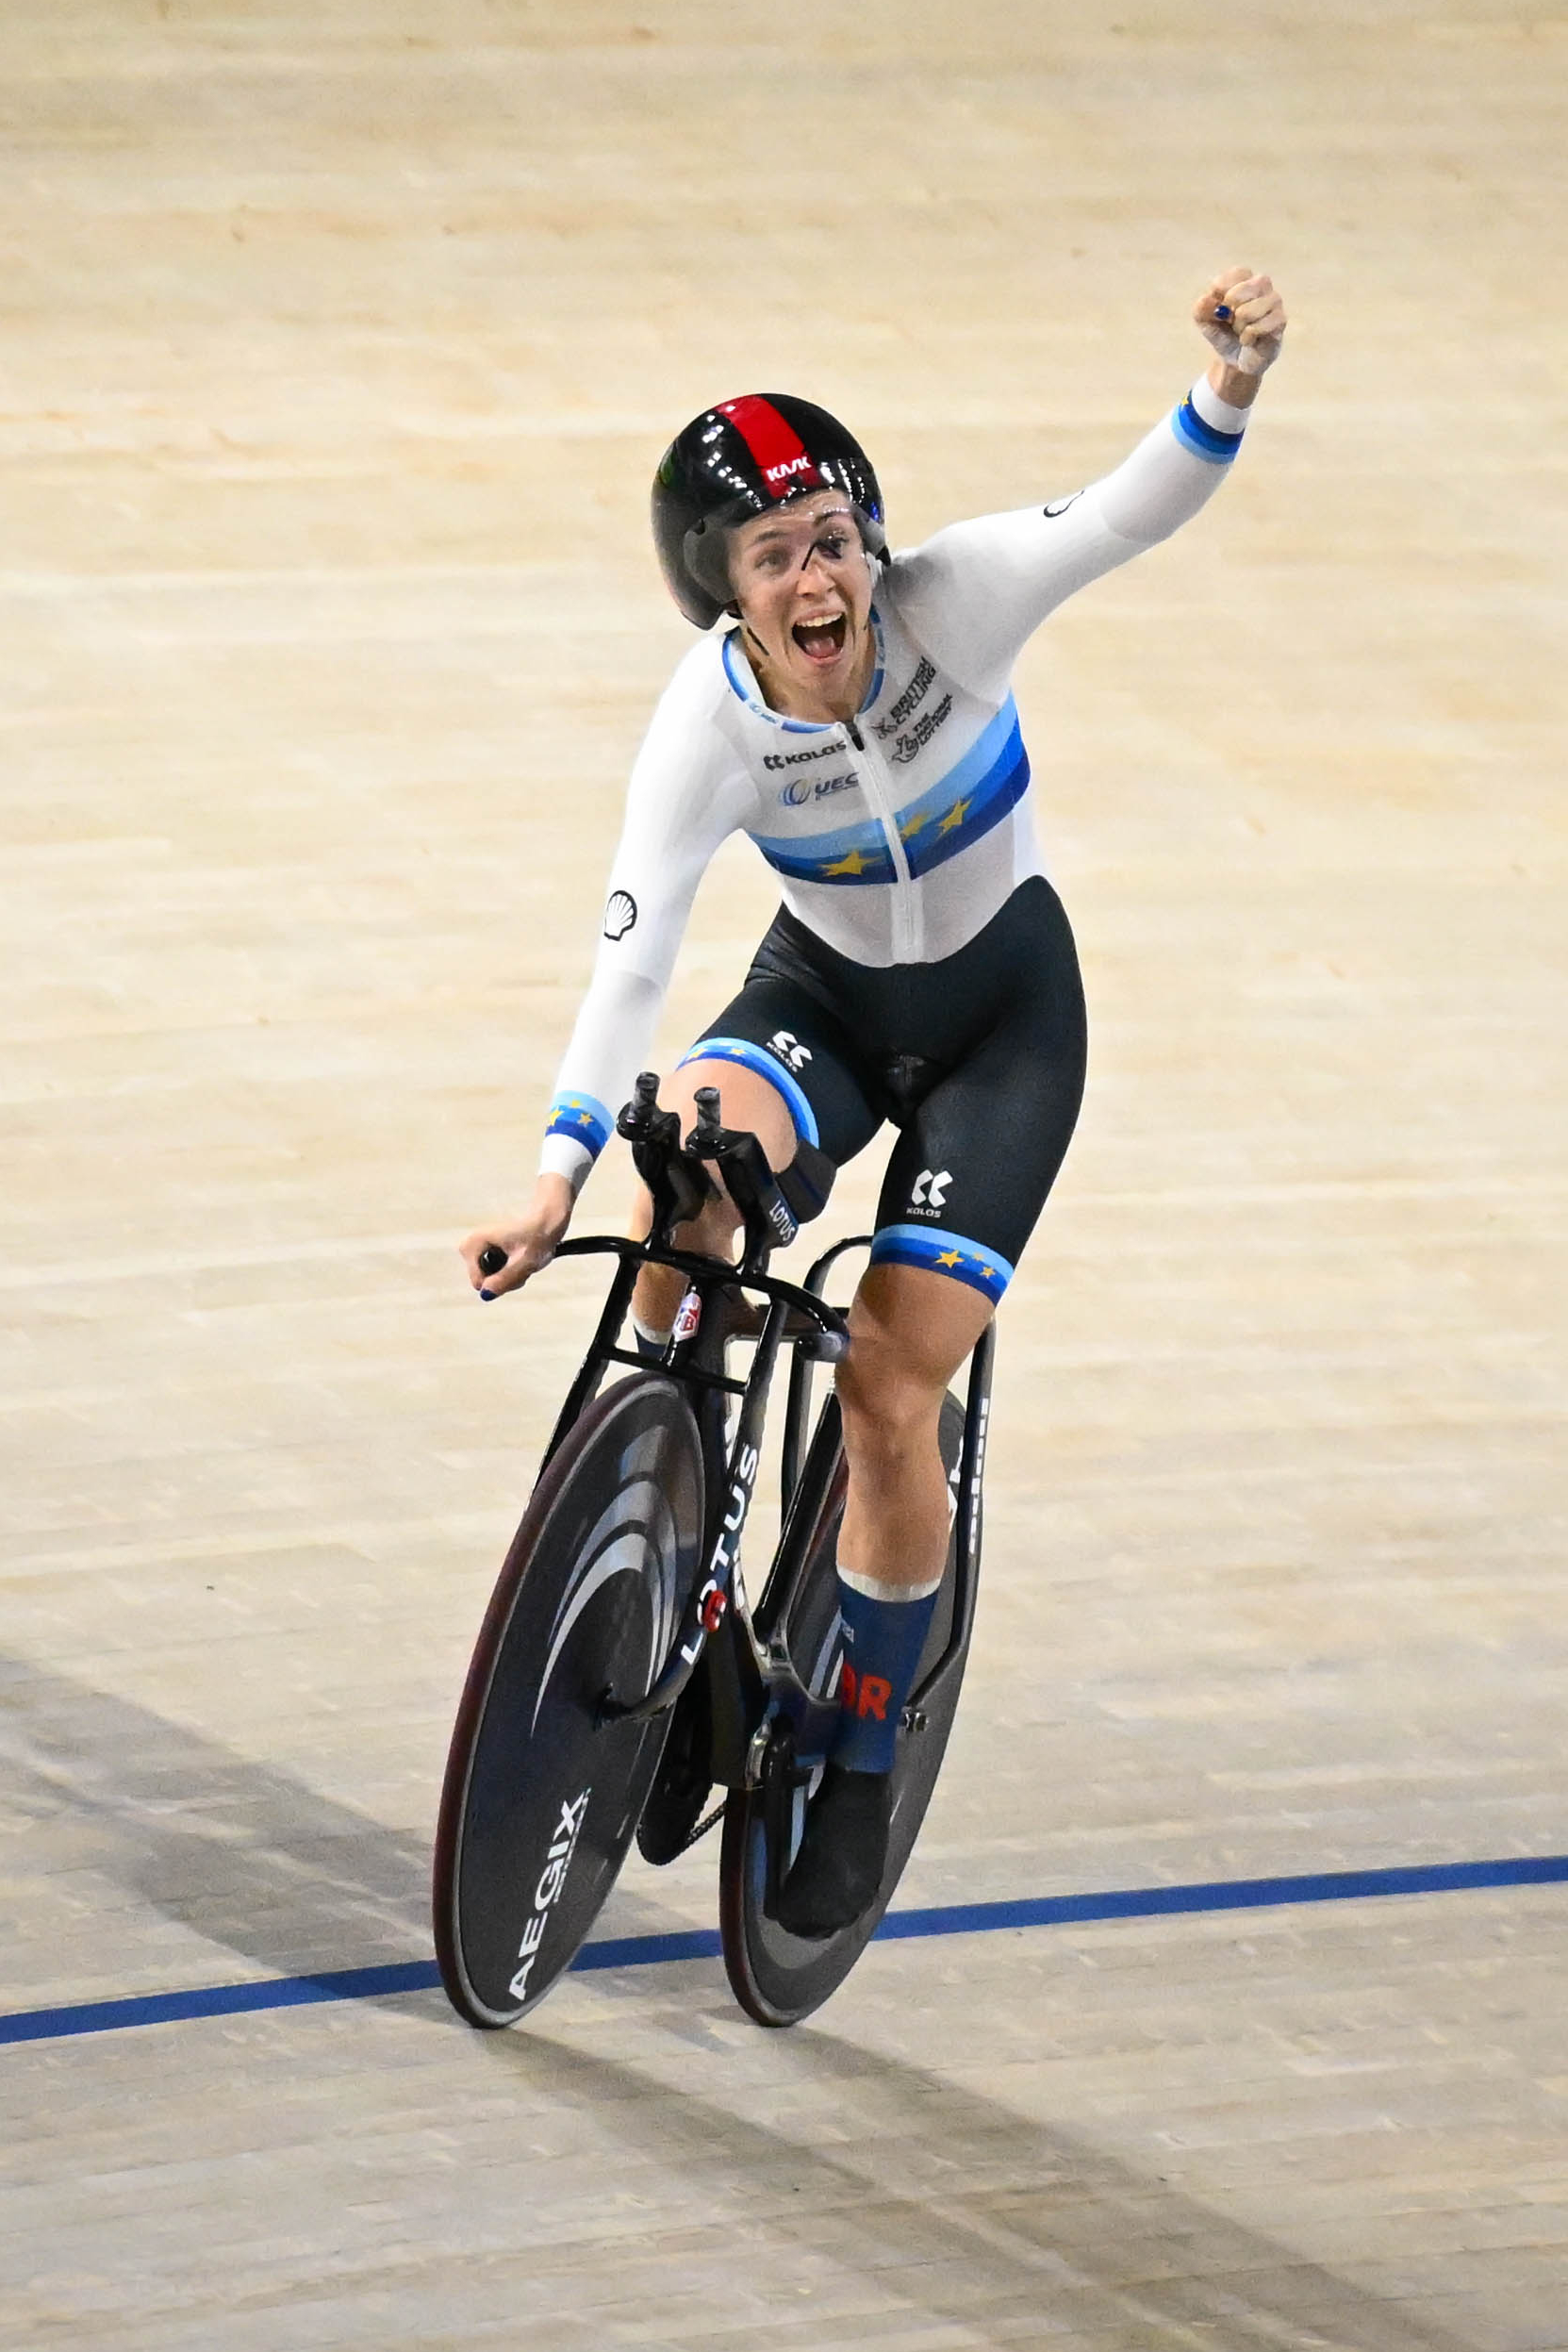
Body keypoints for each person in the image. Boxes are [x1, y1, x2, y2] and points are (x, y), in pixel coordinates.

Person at [459, 268, 1289, 1931]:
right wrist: (557, 1167)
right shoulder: (706, 726)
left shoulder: (953, 602)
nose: (819, 573)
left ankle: (852, 1737)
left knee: (890, 1394)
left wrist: (1228, 388)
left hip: (1004, 1027)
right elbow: (636, 957)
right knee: (681, 1172)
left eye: (833, 535)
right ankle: (675, 1546)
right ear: (726, 598)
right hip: (824, 999)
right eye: (775, 556)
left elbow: (1129, 514)